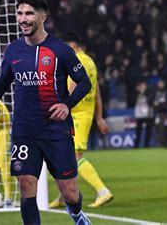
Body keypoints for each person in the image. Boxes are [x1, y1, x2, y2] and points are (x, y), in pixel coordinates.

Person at [0, 0, 92, 225]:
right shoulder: (13, 51)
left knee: (69, 192)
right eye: (20, 13)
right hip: (24, 131)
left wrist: (66, 105)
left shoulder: (60, 50)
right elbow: (2, 81)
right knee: (26, 185)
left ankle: (76, 212)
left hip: (56, 131)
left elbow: (85, 82)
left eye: (29, 13)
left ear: (42, 17)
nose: (23, 18)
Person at [49, 31, 113, 209]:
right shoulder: (90, 61)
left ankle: (103, 191)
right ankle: (64, 195)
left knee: (74, 158)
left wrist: (59, 105)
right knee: (59, 156)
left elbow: (72, 88)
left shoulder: (78, 60)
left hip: (77, 115)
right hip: (83, 113)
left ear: (73, 46)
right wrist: (98, 117)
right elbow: (96, 90)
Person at [134, 81, 154, 148]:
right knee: (138, 131)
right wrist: (139, 92)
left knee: (148, 131)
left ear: (146, 86)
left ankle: (146, 145)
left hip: (148, 115)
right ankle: (136, 145)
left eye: (143, 86)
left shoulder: (149, 92)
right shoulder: (137, 93)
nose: (142, 87)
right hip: (139, 115)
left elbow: (150, 100)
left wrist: (143, 92)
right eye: (141, 86)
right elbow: (133, 100)